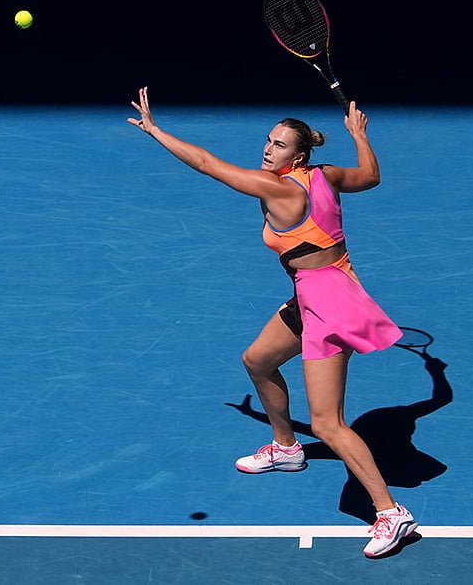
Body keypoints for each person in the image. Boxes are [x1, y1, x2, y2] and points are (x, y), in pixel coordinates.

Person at [127, 86, 417, 557]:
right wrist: (359, 134)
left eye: (279, 145)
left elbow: (206, 164)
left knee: (327, 423)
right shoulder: (325, 174)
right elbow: (370, 176)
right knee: (258, 360)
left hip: (328, 306)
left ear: (297, 156)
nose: (267, 149)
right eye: (268, 140)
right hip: (316, 292)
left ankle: (390, 512)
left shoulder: (279, 189)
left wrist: (156, 131)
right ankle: (286, 448)